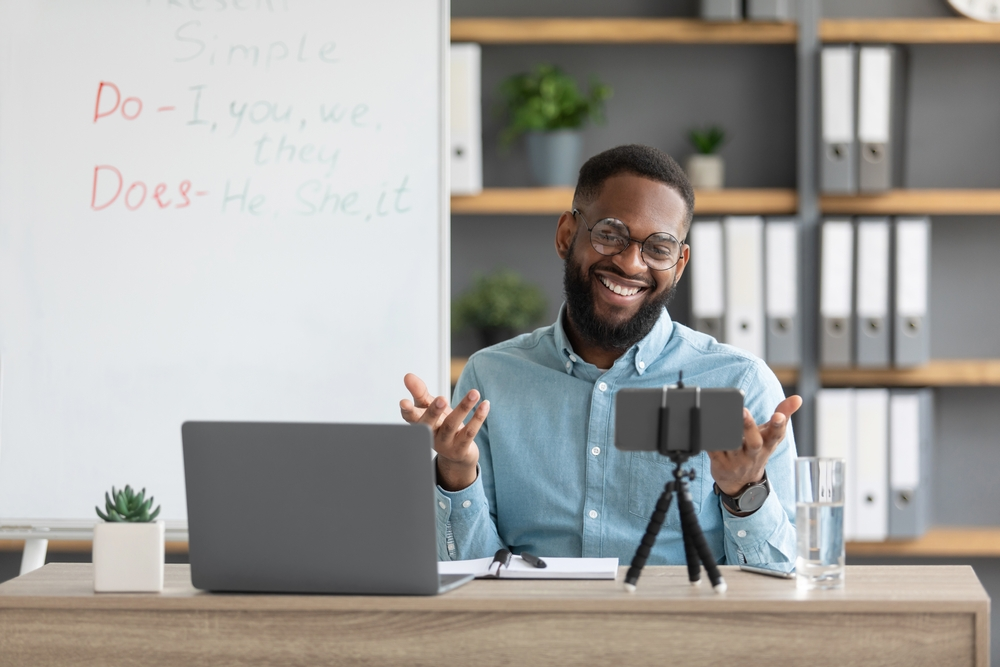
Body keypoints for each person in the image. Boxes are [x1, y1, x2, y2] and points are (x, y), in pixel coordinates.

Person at [401, 144, 802, 566]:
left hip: (676, 631)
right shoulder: (491, 379)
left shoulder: (736, 384)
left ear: (679, 264)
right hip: (534, 629)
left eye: (659, 248)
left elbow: (778, 578)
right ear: (566, 235)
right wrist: (456, 473)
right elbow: (473, 576)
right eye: (610, 234)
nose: (631, 263)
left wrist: (745, 492)